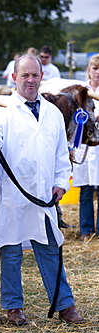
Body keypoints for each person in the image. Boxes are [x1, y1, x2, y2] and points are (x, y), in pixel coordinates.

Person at [0, 54, 83, 325]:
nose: (30, 80)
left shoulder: (53, 113)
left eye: (35, 75)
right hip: (12, 195)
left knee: (50, 249)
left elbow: (61, 154)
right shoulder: (2, 111)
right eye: (25, 75)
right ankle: (13, 307)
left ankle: (64, 305)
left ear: (41, 77)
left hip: (44, 195)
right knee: (11, 252)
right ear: (14, 78)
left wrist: (60, 183)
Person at [72, 53, 99, 241]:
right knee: (86, 189)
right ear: (88, 70)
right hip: (85, 144)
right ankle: (85, 229)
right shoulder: (79, 91)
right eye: (95, 68)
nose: (97, 72)